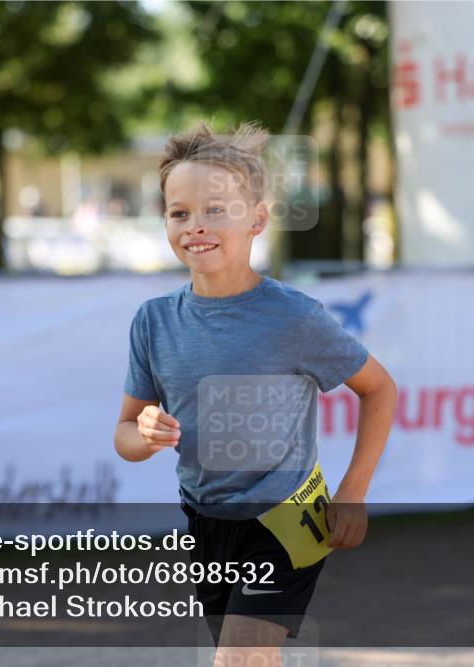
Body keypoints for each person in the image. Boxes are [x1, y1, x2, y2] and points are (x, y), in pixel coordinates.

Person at [114, 121, 397, 666]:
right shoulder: (152, 322)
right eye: (180, 212)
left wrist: (353, 490)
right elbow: (124, 434)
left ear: (258, 220)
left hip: (288, 519)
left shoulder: (295, 318)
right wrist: (143, 433)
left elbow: (379, 389)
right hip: (205, 520)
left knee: (238, 661)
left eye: (216, 209)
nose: (196, 225)